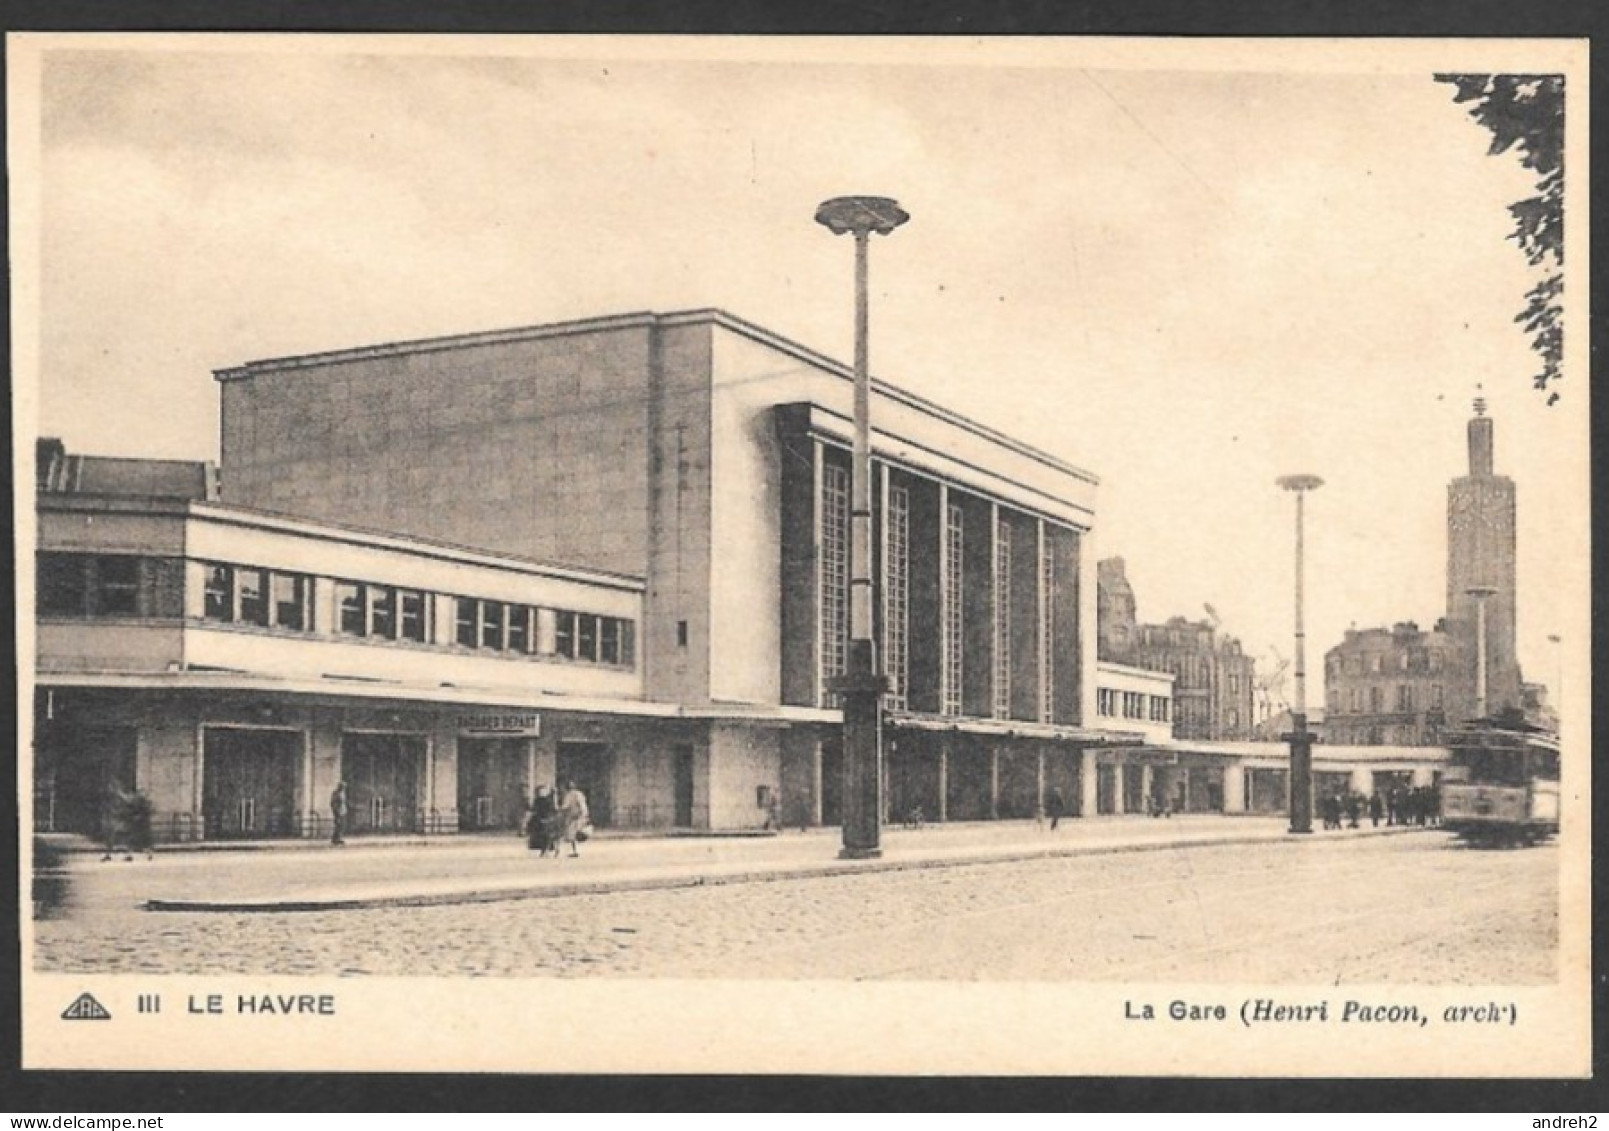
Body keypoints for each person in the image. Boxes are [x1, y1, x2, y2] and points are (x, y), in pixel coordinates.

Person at [526, 783, 561, 857]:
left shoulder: (549, 800)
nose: (542, 792)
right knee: (542, 836)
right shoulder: (539, 800)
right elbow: (533, 809)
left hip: (547, 819)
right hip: (540, 819)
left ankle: (547, 850)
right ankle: (544, 850)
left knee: (548, 836)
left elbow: (554, 809)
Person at [558, 780, 590, 858]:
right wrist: (585, 815)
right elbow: (583, 805)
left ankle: (575, 851)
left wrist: (559, 809)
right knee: (575, 835)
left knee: (572, 835)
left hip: (573, 817)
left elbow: (565, 806)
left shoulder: (569, 795)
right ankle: (575, 851)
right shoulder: (579, 794)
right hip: (580, 816)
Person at [329, 781, 349, 846]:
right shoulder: (335, 793)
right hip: (338, 812)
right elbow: (333, 803)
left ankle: (338, 838)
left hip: (343, 811)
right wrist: (335, 811)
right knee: (338, 825)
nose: (343, 788)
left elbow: (344, 802)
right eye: (342, 787)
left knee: (342, 825)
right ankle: (336, 839)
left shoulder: (343, 793)